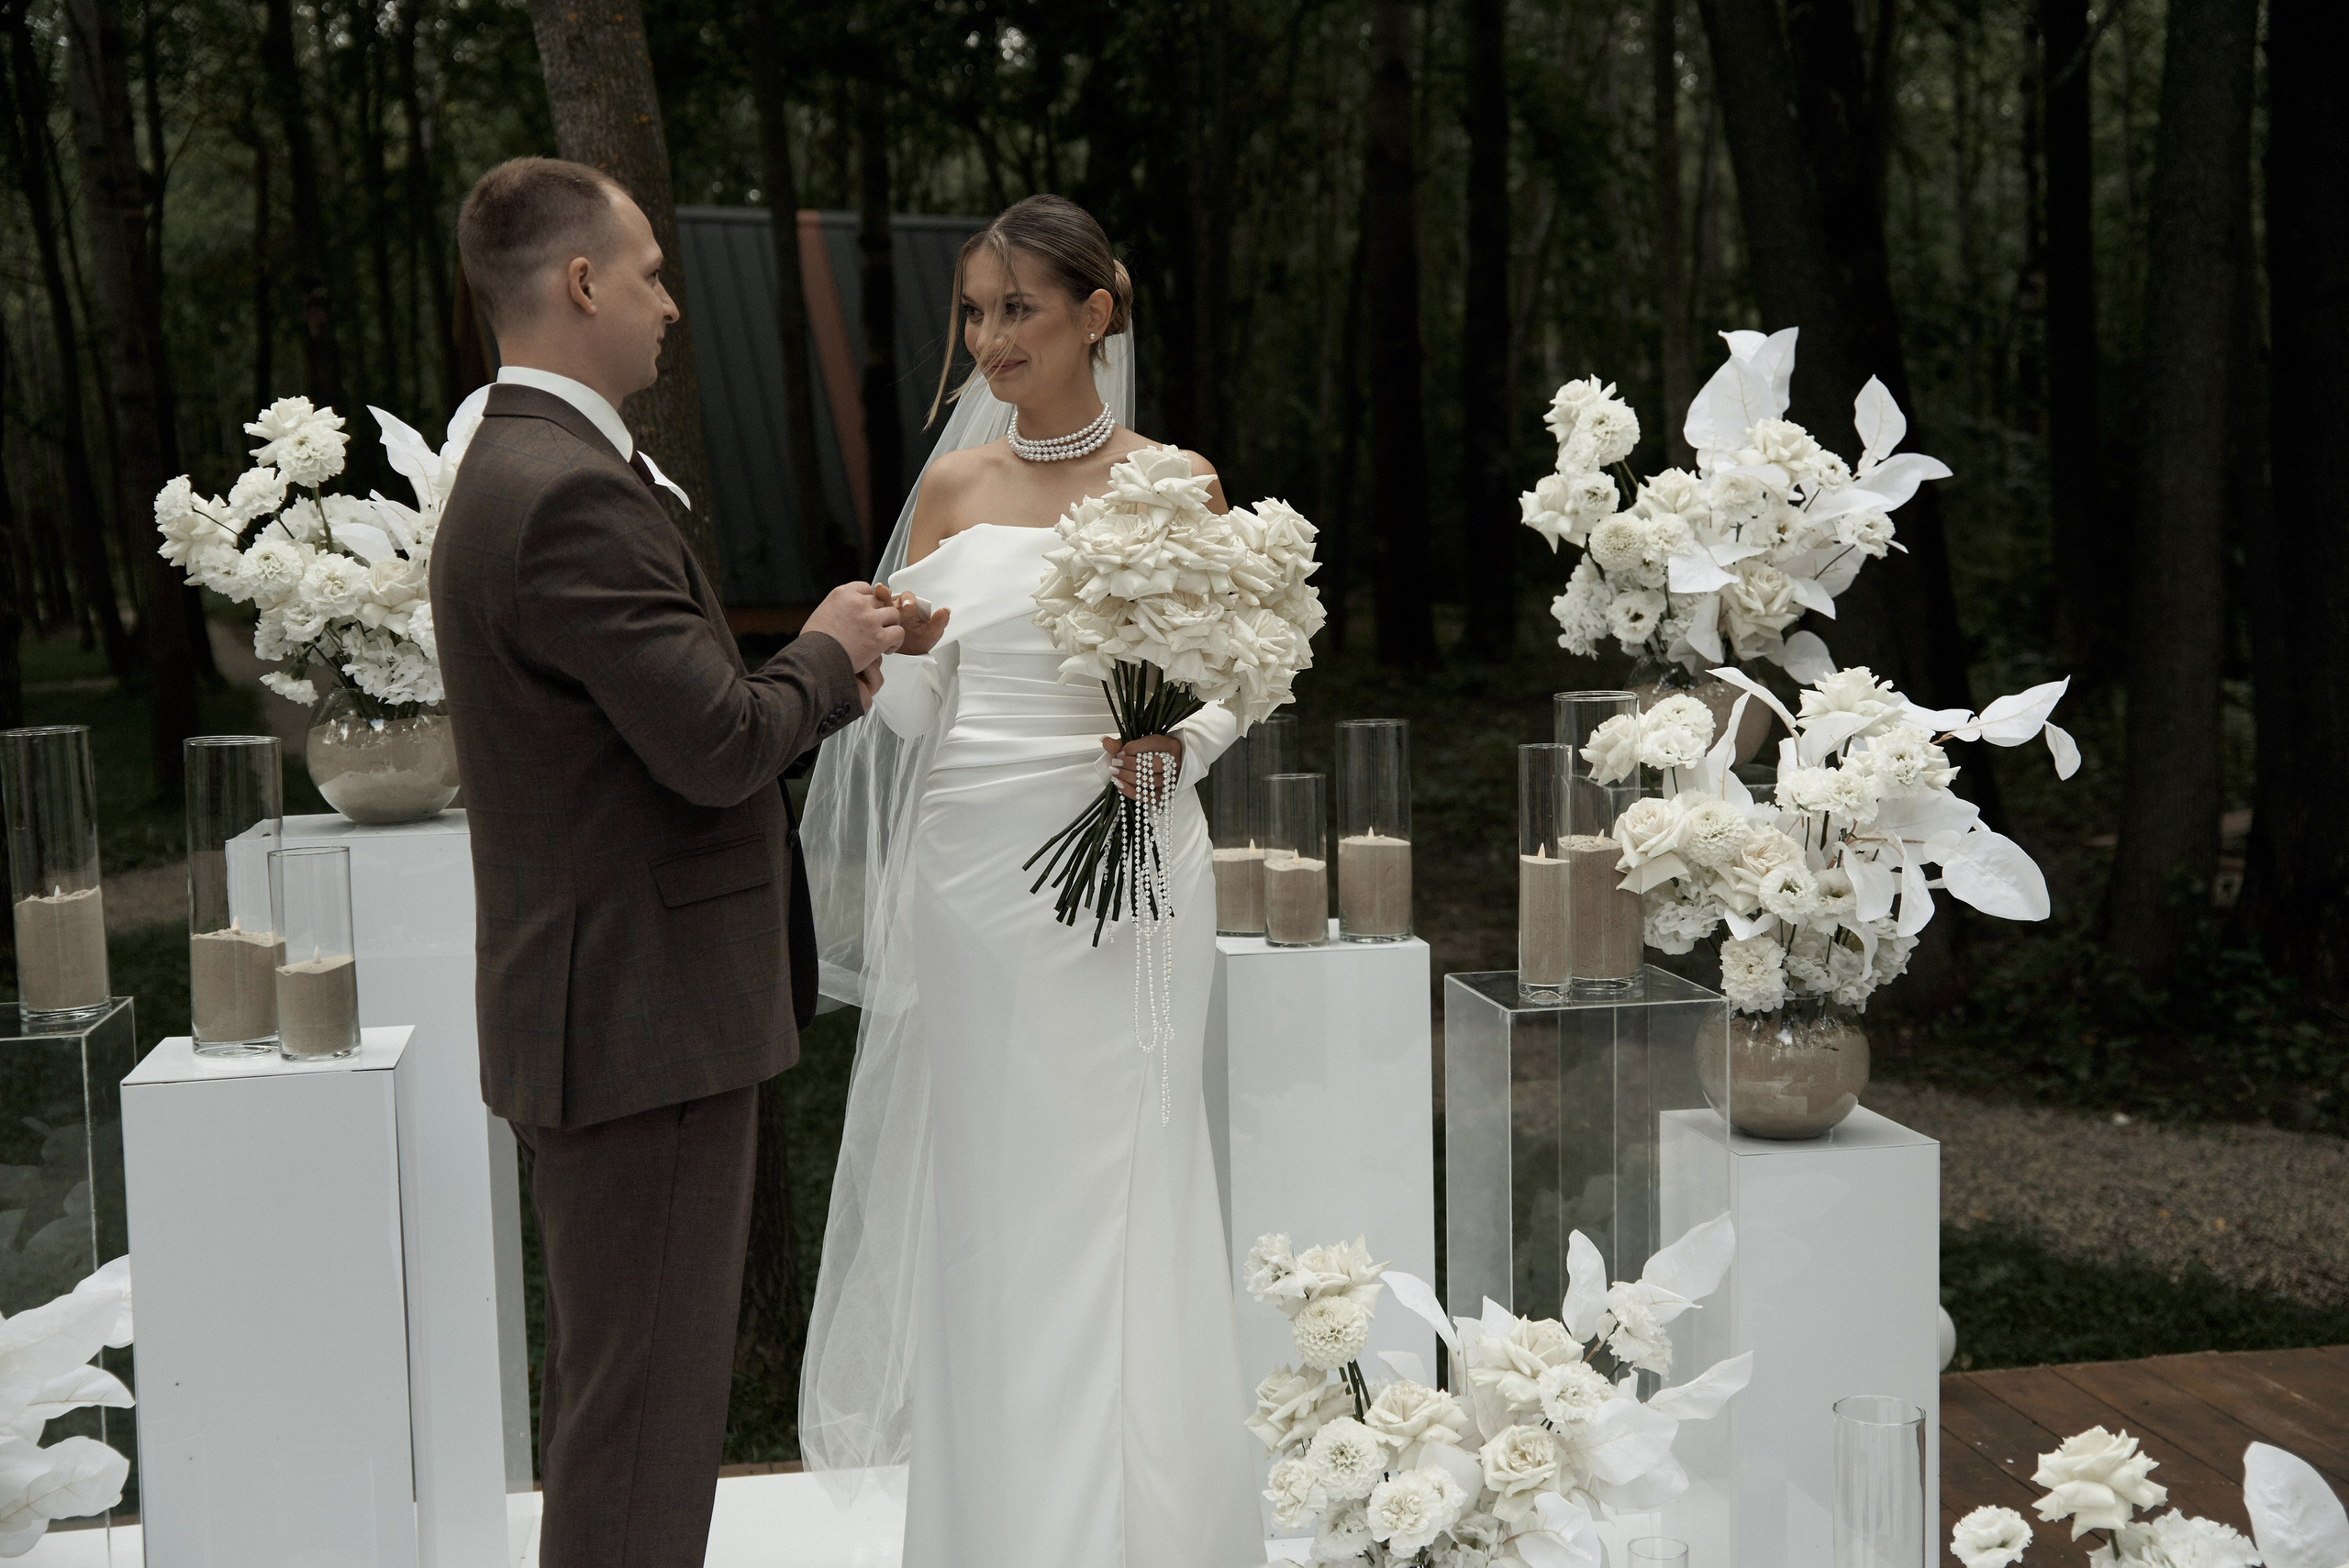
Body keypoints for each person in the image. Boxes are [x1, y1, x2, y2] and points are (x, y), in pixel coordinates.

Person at [428, 156, 909, 1567]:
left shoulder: (530, 466)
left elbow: (654, 738)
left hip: (611, 1010)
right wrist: (824, 653)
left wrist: (808, 688)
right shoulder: (564, 490)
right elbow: (709, 743)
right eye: (648, 271)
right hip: (643, 1022)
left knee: (623, 1406)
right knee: (639, 1428)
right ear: (579, 283)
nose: (670, 303)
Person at [799, 195, 1265, 1566]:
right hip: (975, 878)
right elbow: (908, 716)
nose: (989, 339)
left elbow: (1241, 672)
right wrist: (895, 653)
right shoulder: (953, 491)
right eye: (974, 312)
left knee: (1126, 1183)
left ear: (1095, 317)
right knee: (994, 1207)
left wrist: (1179, 747)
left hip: (1135, 868)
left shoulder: (1179, 483)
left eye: (1019, 309)